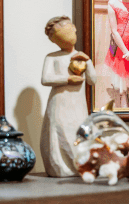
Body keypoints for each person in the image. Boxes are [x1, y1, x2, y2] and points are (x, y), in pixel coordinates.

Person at [40, 16, 96, 177]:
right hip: (58, 103)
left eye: (68, 30)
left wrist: (88, 62)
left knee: (78, 133)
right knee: (58, 133)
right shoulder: (52, 57)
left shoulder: (81, 57)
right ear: (54, 41)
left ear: (74, 30)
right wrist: (67, 79)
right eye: (58, 36)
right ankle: (60, 168)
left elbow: (93, 80)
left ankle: (81, 166)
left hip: (78, 105)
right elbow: (45, 79)